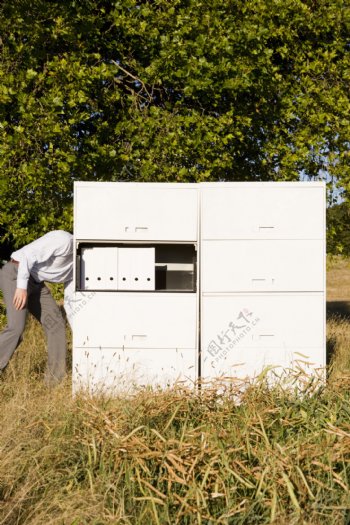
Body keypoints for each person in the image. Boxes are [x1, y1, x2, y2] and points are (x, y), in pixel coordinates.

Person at [0, 230, 74, 384]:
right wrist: (21, 287)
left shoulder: (81, 259)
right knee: (16, 328)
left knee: (56, 324)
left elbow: (71, 289)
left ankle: (54, 381)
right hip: (17, 273)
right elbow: (27, 255)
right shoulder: (63, 240)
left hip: (37, 284)